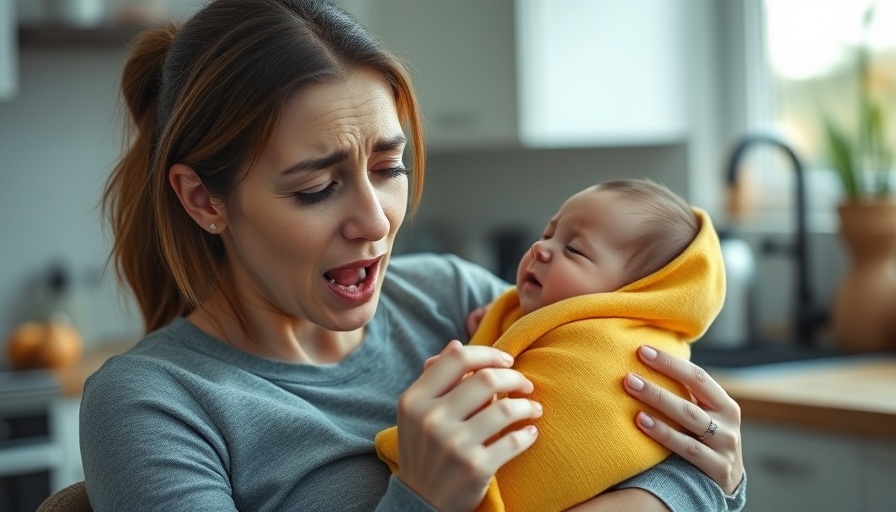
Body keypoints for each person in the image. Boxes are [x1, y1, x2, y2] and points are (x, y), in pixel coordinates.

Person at [80, 1, 746, 511]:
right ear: (204, 201)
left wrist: (712, 472)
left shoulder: (457, 301)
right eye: (317, 188)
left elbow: (657, 451)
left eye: (389, 166)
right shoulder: (152, 403)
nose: (375, 220)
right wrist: (421, 498)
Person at [375, 179, 731, 511]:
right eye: (548, 232)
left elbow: (689, 466)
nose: (541, 247)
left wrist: (712, 484)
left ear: (632, 295)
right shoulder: (515, 308)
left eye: (573, 248)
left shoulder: (626, 350)